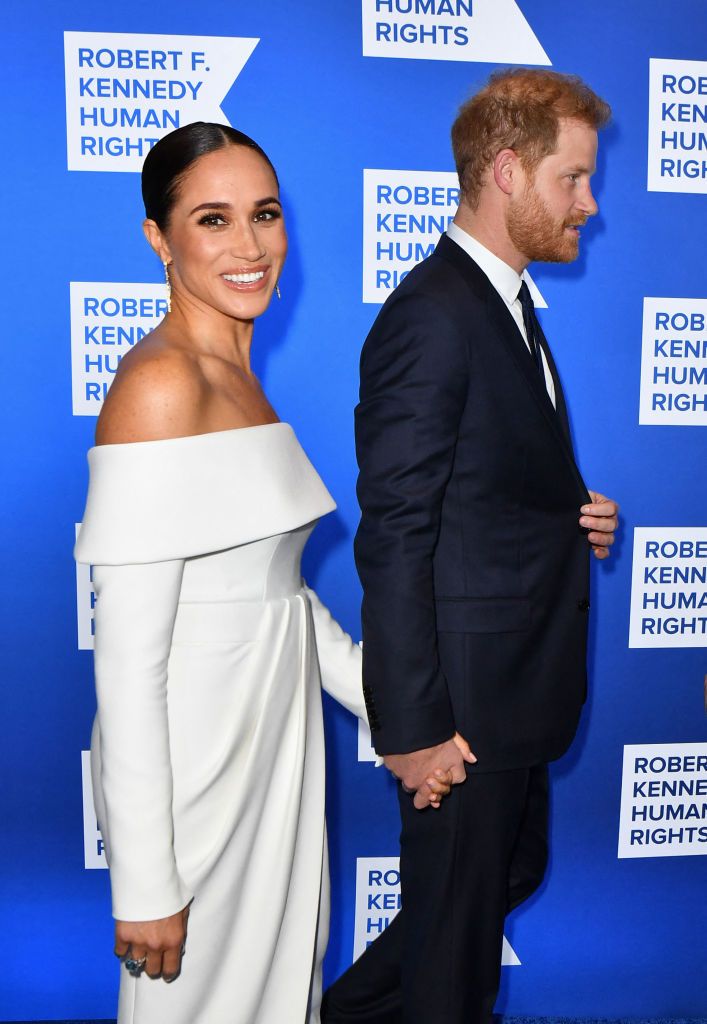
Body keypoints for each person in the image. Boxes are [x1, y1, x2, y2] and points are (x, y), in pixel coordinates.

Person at [74, 122, 452, 1024]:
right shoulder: (159, 387)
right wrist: (147, 880)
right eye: (213, 220)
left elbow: (277, 599)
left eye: (265, 214)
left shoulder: (237, 377)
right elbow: (125, 667)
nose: (249, 247)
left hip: (272, 746)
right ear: (158, 240)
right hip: (195, 771)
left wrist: (399, 713)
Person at [322, 69, 619, 1024]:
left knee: (480, 896)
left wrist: (567, 511)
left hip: (509, 695)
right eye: (571, 178)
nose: (589, 200)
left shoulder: (503, 305)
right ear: (506, 170)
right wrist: (409, 729)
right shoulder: (432, 316)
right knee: (453, 967)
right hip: (458, 712)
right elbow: (395, 531)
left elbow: (478, 483)